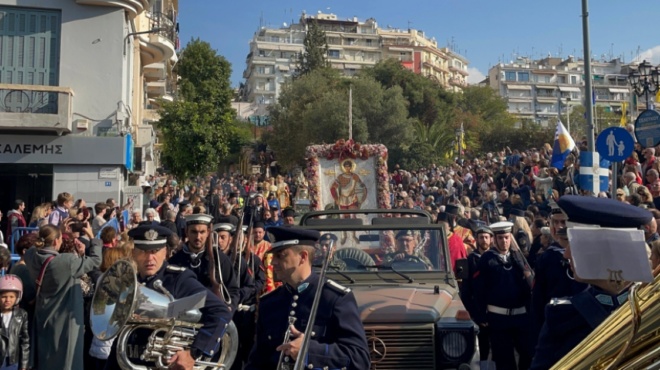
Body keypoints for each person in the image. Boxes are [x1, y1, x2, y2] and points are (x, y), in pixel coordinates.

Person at [530, 196, 653, 369]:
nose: (566, 254)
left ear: (601, 250)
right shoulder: (562, 313)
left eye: (573, 244)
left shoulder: (564, 315)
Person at [105, 224, 233, 370]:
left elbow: (219, 310)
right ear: (133, 253)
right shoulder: (129, 283)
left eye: (155, 251)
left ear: (165, 252)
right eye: (143, 251)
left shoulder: (178, 280)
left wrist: (193, 353)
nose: (150, 258)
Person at [244, 227, 370, 370]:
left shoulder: (334, 298)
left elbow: (359, 358)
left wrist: (309, 351)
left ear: (303, 257)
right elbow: (258, 360)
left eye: (281, 256)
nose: (273, 263)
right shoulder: (270, 302)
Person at [24, 224, 101, 370]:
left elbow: (34, 247)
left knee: (45, 359)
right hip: (66, 319)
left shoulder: (31, 256)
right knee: (68, 360)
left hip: (43, 315)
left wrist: (57, 231)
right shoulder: (66, 261)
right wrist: (93, 238)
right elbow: (96, 261)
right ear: (55, 242)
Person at [473, 221, 532, 370]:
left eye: (506, 237)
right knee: (504, 360)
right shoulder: (487, 260)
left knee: (528, 353)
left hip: (520, 317)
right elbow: (479, 289)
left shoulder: (517, 258)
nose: (504, 241)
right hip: (498, 318)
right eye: (500, 238)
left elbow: (529, 284)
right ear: (495, 239)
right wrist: (480, 315)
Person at [168, 214, 240, 311]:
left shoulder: (220, 259)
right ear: (186, 232)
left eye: (202, 232)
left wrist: (228, 309)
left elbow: (233, 290)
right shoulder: (175, 261)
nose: (198, 237)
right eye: (194, 232)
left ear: (208, 232)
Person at [459, 226, 493, 367]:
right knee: (483, 343)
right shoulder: (471, 259)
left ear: (491, 239)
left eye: (486, 237)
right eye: (481, 237)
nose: (484, 240)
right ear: (477, 240)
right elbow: (467, 289)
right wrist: (474, 312)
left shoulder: (494, 256)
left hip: (496, 307)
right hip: (479, 307)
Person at [0, 274, 29, 370]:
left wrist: (24, 365)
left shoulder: (21, 315)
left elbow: (25, 341)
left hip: (12, 361)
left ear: (17, 297)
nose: (7, 300)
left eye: (11, 297)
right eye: (4, 296)